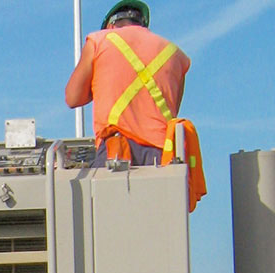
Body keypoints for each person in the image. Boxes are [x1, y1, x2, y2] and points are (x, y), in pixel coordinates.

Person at [65, 1, 191, 167]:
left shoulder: (99, 40)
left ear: (110, 26)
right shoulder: (176, 55)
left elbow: (73, 98)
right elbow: (172, 109)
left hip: (117, 151)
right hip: (163, 156)